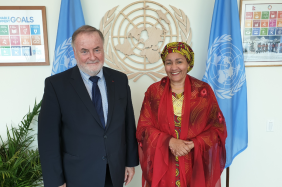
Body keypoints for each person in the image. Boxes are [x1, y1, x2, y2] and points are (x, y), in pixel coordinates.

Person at [38, 25, 139, 187]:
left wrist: (130, 162)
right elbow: (48, 138)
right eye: (84, 51)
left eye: (97, 49)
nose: (92, 56)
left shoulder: (119, 80)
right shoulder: (56, 85)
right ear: (75, 53)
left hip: (114, 171)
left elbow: (128, 124)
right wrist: (56, 181)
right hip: (76, 176)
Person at [136, 42, 227, 187]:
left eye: (179, 61)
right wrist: (169, 141)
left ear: (188, 63)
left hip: (195, 166)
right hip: (164, 168)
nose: (173, 67)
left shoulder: (203, 91)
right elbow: (143, 128)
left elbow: (217, 128)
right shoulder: (154, 92)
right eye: (168, 62)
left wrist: (194, 144)